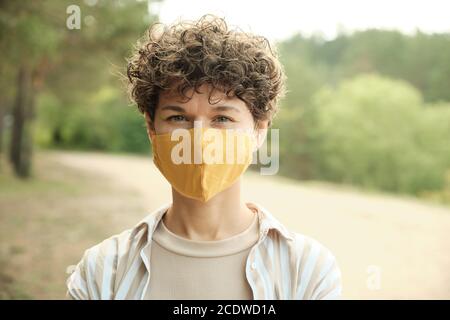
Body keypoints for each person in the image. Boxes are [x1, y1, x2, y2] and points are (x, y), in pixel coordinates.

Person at [66, 14, 342, 300]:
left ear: (259, 130)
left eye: (222, 118)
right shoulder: (100, 271)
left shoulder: (308, 271)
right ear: (151, 127)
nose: (199, 138)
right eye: (177, 116)